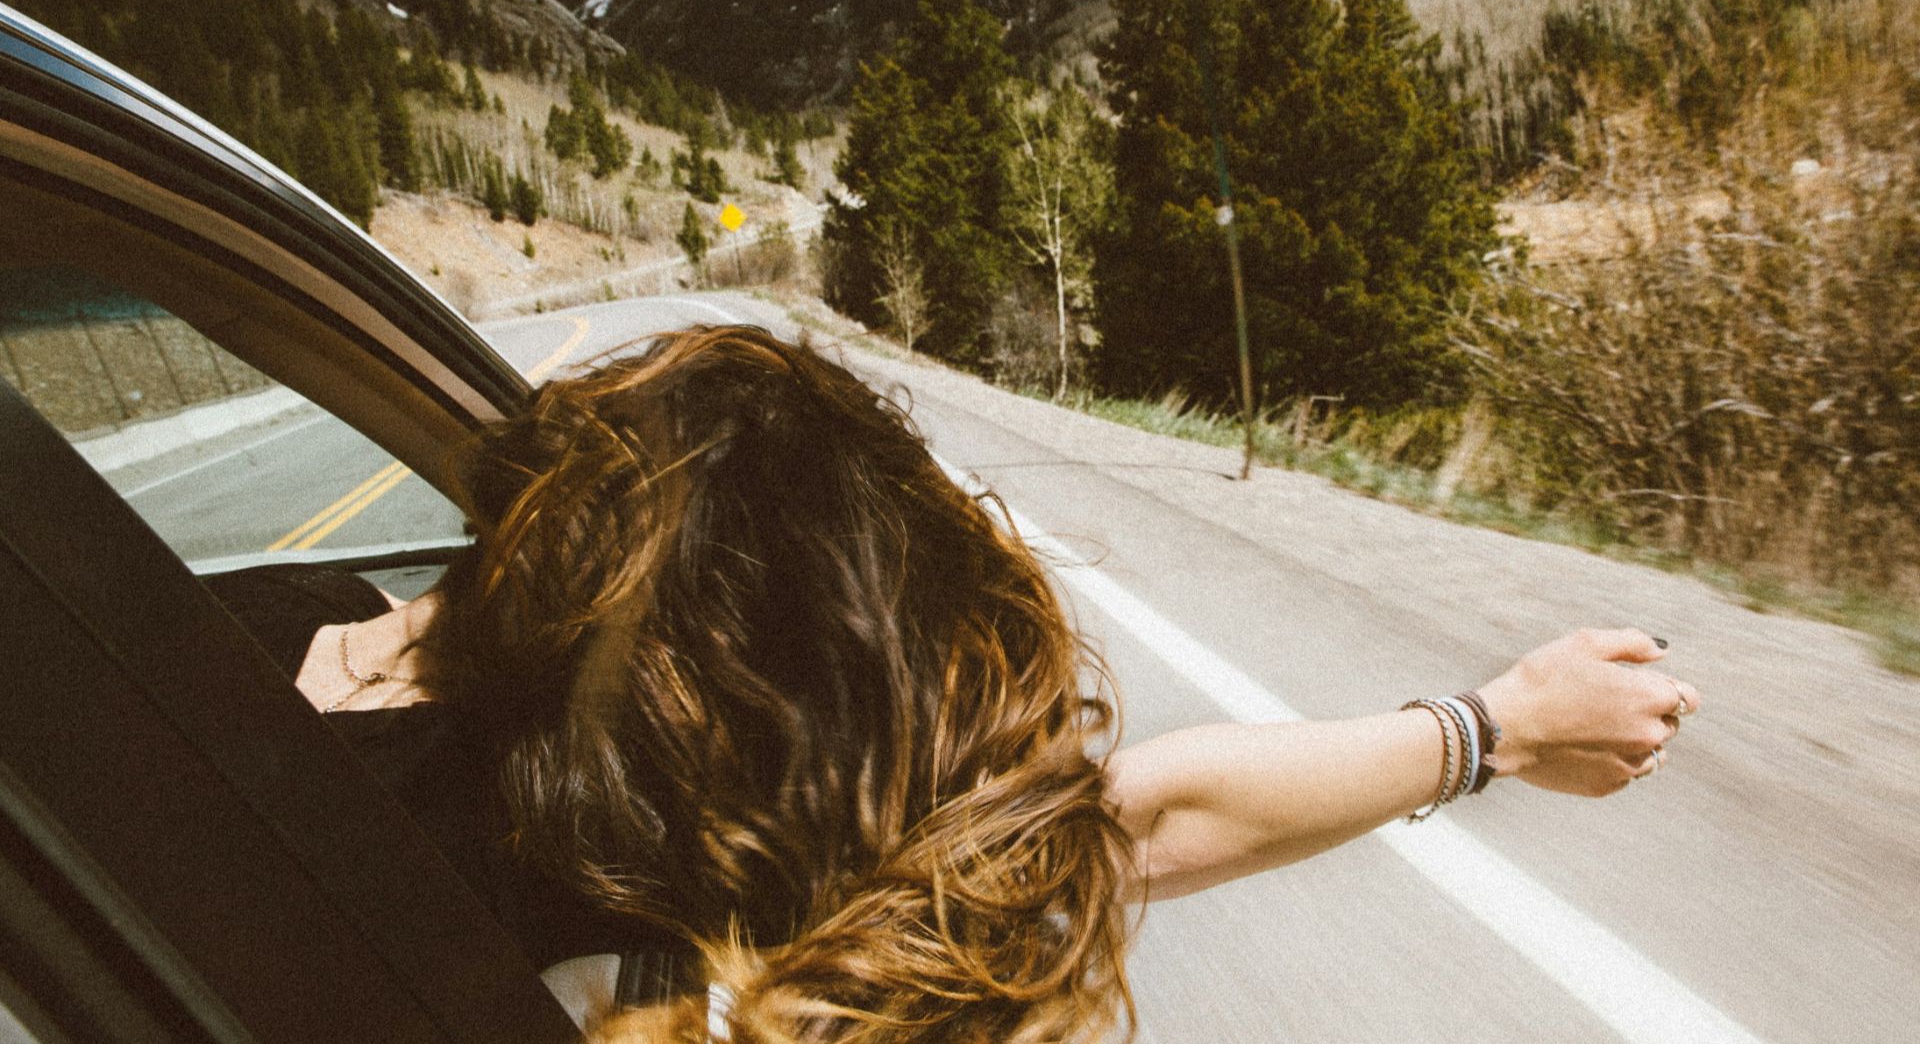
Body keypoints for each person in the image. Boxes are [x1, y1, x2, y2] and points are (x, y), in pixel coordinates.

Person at [221, 325, 1699, 1043]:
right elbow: (1132, 821)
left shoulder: (236, 626)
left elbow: (1126, 817)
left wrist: (1500, 728)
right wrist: (1498, 729)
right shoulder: (614, 885)